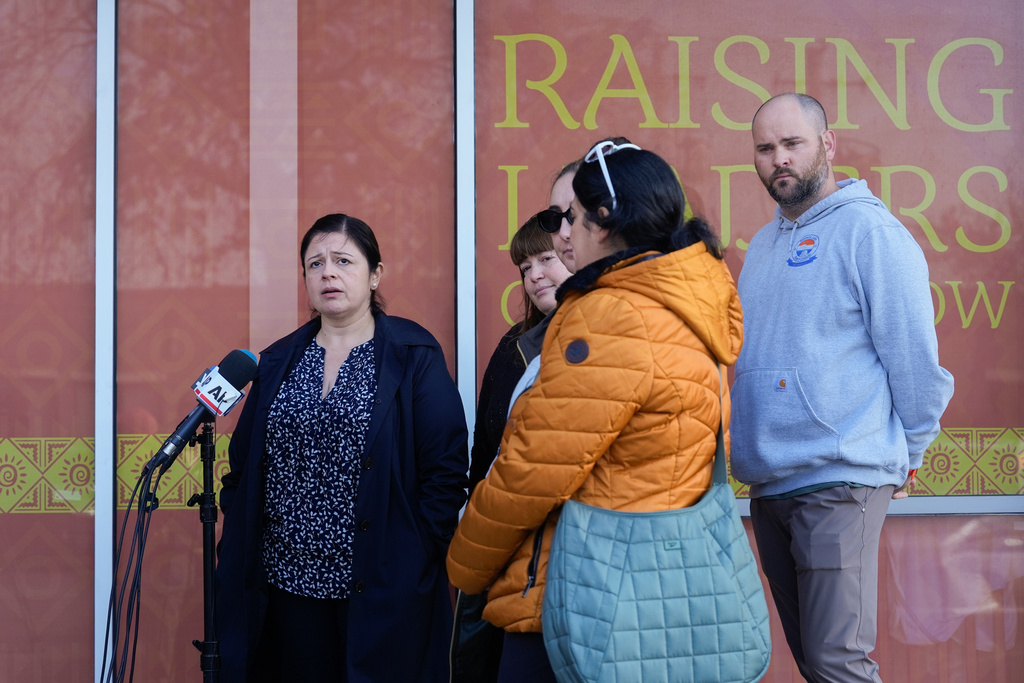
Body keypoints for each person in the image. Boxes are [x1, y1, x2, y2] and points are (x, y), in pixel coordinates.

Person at [447, 140, 744, 681]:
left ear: (603, 221)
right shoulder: (686, 301)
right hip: (653, 596)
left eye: (571, 218)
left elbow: (534, 468)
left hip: (581, 595)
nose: (562, 235)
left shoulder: (612, 315)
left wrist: (465, 562)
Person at [731, 93, 954, 682]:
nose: (778, 158)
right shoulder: (760, 247)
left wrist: (909, 454)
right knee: (815, 662)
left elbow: (914, 361)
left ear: (828, 146)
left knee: (838, 664)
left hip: (840, 479)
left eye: (792, 143)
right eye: (765, 148)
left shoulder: (870, 232)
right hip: (772, 483)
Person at [215, 213, 469, 682]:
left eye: (343, 261)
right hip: (286, 587)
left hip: (382, 588)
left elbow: (447, 470)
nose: (328, 273)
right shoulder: (275, 362)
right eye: (315, 264)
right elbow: (243, 466)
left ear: (375, 275)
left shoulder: (413, 354)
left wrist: (415, 556)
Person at [452, 213, 572, 683]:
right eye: (524, 267)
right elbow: (487, 455)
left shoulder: (601, 336)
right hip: (511, 551)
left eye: (545, 259)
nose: (534, 275)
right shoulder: (515, 346)